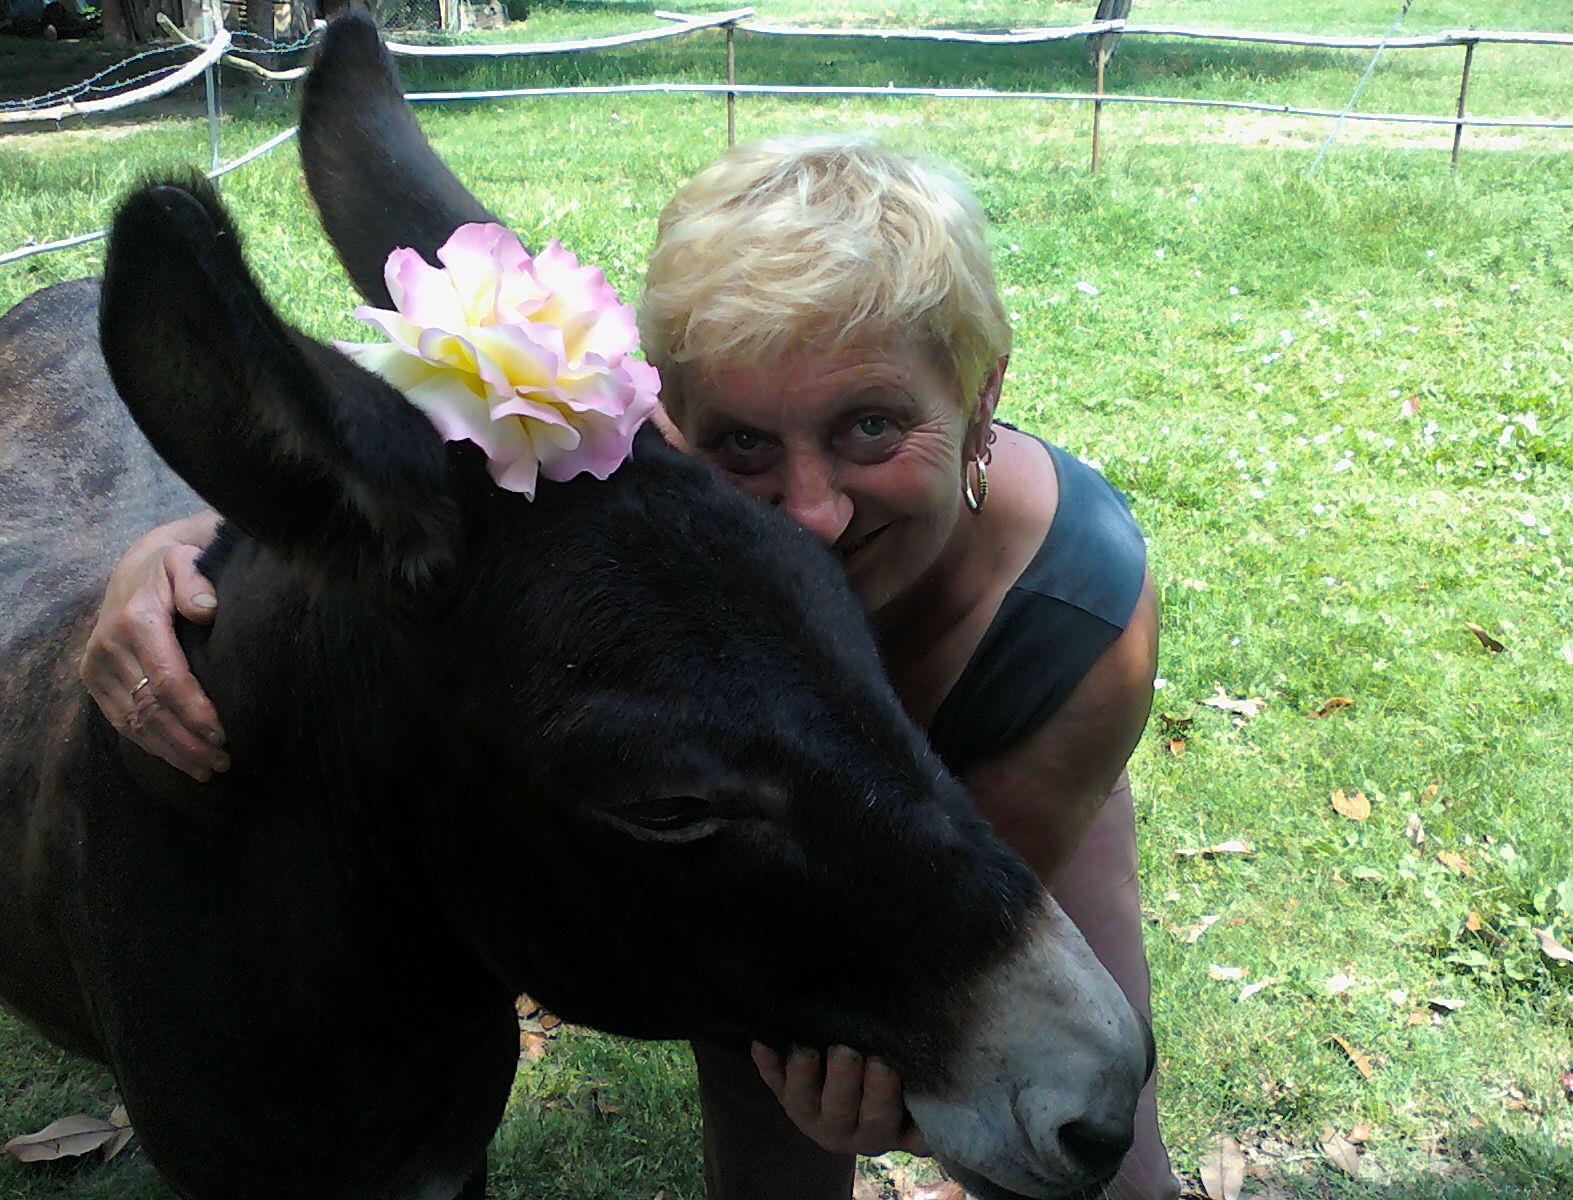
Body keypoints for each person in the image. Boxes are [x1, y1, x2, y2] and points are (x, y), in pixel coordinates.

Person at [80, 135, 1179, 1200]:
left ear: (981, 398)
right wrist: (182, 545)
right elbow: (450, 490)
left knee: (1107, 1142)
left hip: (976, 758)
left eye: (873, 427)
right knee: (773, 1093)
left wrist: (897, 1085)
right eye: (742, 443)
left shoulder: (1076, 620)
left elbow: (941, 943)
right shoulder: (645, 485)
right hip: (798, 826)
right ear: (656, 415)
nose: (810, 511)